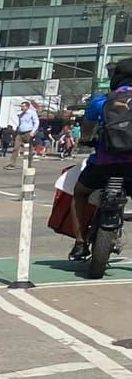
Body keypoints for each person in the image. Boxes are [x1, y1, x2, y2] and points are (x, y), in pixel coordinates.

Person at [71, 58, 132, 257]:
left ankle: (80, 242)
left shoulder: (101, 100)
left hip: (103, 165)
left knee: (79, 192)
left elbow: (87, 131)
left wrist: (86, 140)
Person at [12, 101, 39, 167]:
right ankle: (11, 163)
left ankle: (29, 164)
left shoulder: (32, 113)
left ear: (27, 107)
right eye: (21, 106)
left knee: (30, 149)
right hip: (20, 133)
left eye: (23, 106)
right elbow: (19, 123)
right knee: (16, 148)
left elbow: (36, 122)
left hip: (28, 132)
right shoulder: (20, 114)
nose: (21, 108)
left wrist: (33, 131)